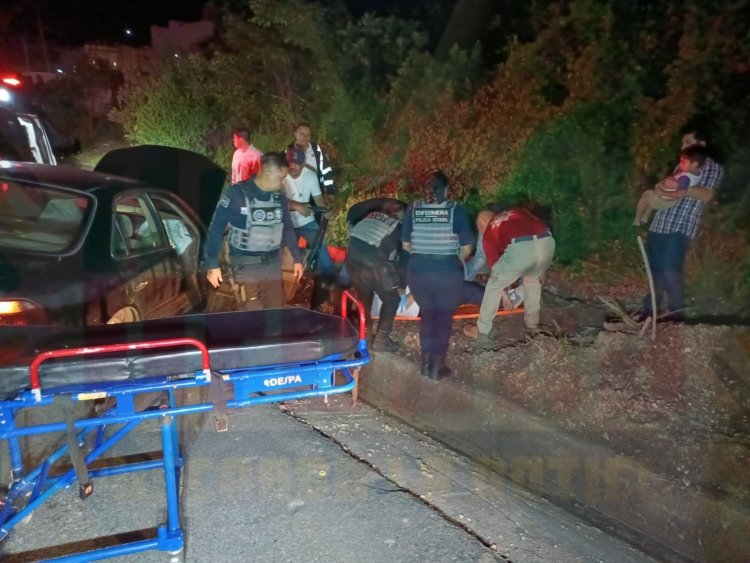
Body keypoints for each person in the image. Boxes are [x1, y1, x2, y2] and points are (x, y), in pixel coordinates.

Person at [632, 127, 724, 323]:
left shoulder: (710, 166)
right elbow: (665, 186)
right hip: (660, 224)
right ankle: (649, 311)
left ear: (702, 144)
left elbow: (707, 194)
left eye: (687, 142)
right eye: (682, 143)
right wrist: (659, 187)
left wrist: (681, 189)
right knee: (655, 269)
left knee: (670, 270)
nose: (682, 147)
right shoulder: (681, 166)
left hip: (680, 226)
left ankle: (677, 316)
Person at [205, 152, 303, 310]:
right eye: (281, 177)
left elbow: (287, 227)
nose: (282, 182)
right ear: (268, 172)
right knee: (252, 314)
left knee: (275, 313)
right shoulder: (237, 194)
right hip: (246, 264)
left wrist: (297, 258)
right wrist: (212, 263)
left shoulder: (279, 197)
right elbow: (216, 227)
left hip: (272, 264)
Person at [402, 171, 474, 380]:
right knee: (442, 318)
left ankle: (425, 364)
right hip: (445, 272)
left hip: (418, 271)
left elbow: (406, 245)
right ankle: (437, 366)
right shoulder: (455, 210)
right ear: (446, 190)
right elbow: (467, 248)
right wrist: (452, 258)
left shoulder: (413, 208)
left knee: (428, 315)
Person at [463, 206, 555, 341]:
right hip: (547, 242)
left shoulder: (489, 232)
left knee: (494, 285)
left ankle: (482, 330)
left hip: (522, 246)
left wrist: (505, 296)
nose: (480, 232)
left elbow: (497, 272)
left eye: (479, 228)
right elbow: (536, 221)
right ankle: (533, 324)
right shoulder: (516, 211)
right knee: (532, 281)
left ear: (482, 224)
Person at [346, 199, 406, 351]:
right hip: (373, 264)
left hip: (351, 261)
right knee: (392, 300)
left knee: (365, 298)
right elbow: (403, 259)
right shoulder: (399, 227)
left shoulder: (370, 216)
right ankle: (381, 340)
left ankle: (363, 335)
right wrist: (402, 285)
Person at [283, 147, 335, 277]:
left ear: (303, 164)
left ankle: (330, 280)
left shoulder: (310, 175)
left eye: (296, 164)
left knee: (321, 250)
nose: (292, 166)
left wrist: (324, 209)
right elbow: (277, 201)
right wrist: (297, 206)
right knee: (283, 254)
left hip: (306, 220)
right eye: (290, 162)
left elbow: (317, 197)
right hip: (286, 223)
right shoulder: (280, 175)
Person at [633, 145, 706, 226]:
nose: (680, 164)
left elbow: (679, 194)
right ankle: (645, 218)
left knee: (646, 195)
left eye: (683, 162)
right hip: (668, 198)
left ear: (694, 164)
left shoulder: (685, 178)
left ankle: (636, 220)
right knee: (652, 195)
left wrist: (662, 193)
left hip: (665, 200)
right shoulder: (698, 173)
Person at [286, 122, 336, 197]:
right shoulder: (289, 151)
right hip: (296, 193)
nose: (305, 137)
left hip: (316, 191)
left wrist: (330, 189)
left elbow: (325, 169)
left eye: (308, 135)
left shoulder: (316, 150)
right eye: (302, 134)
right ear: (295, 134)